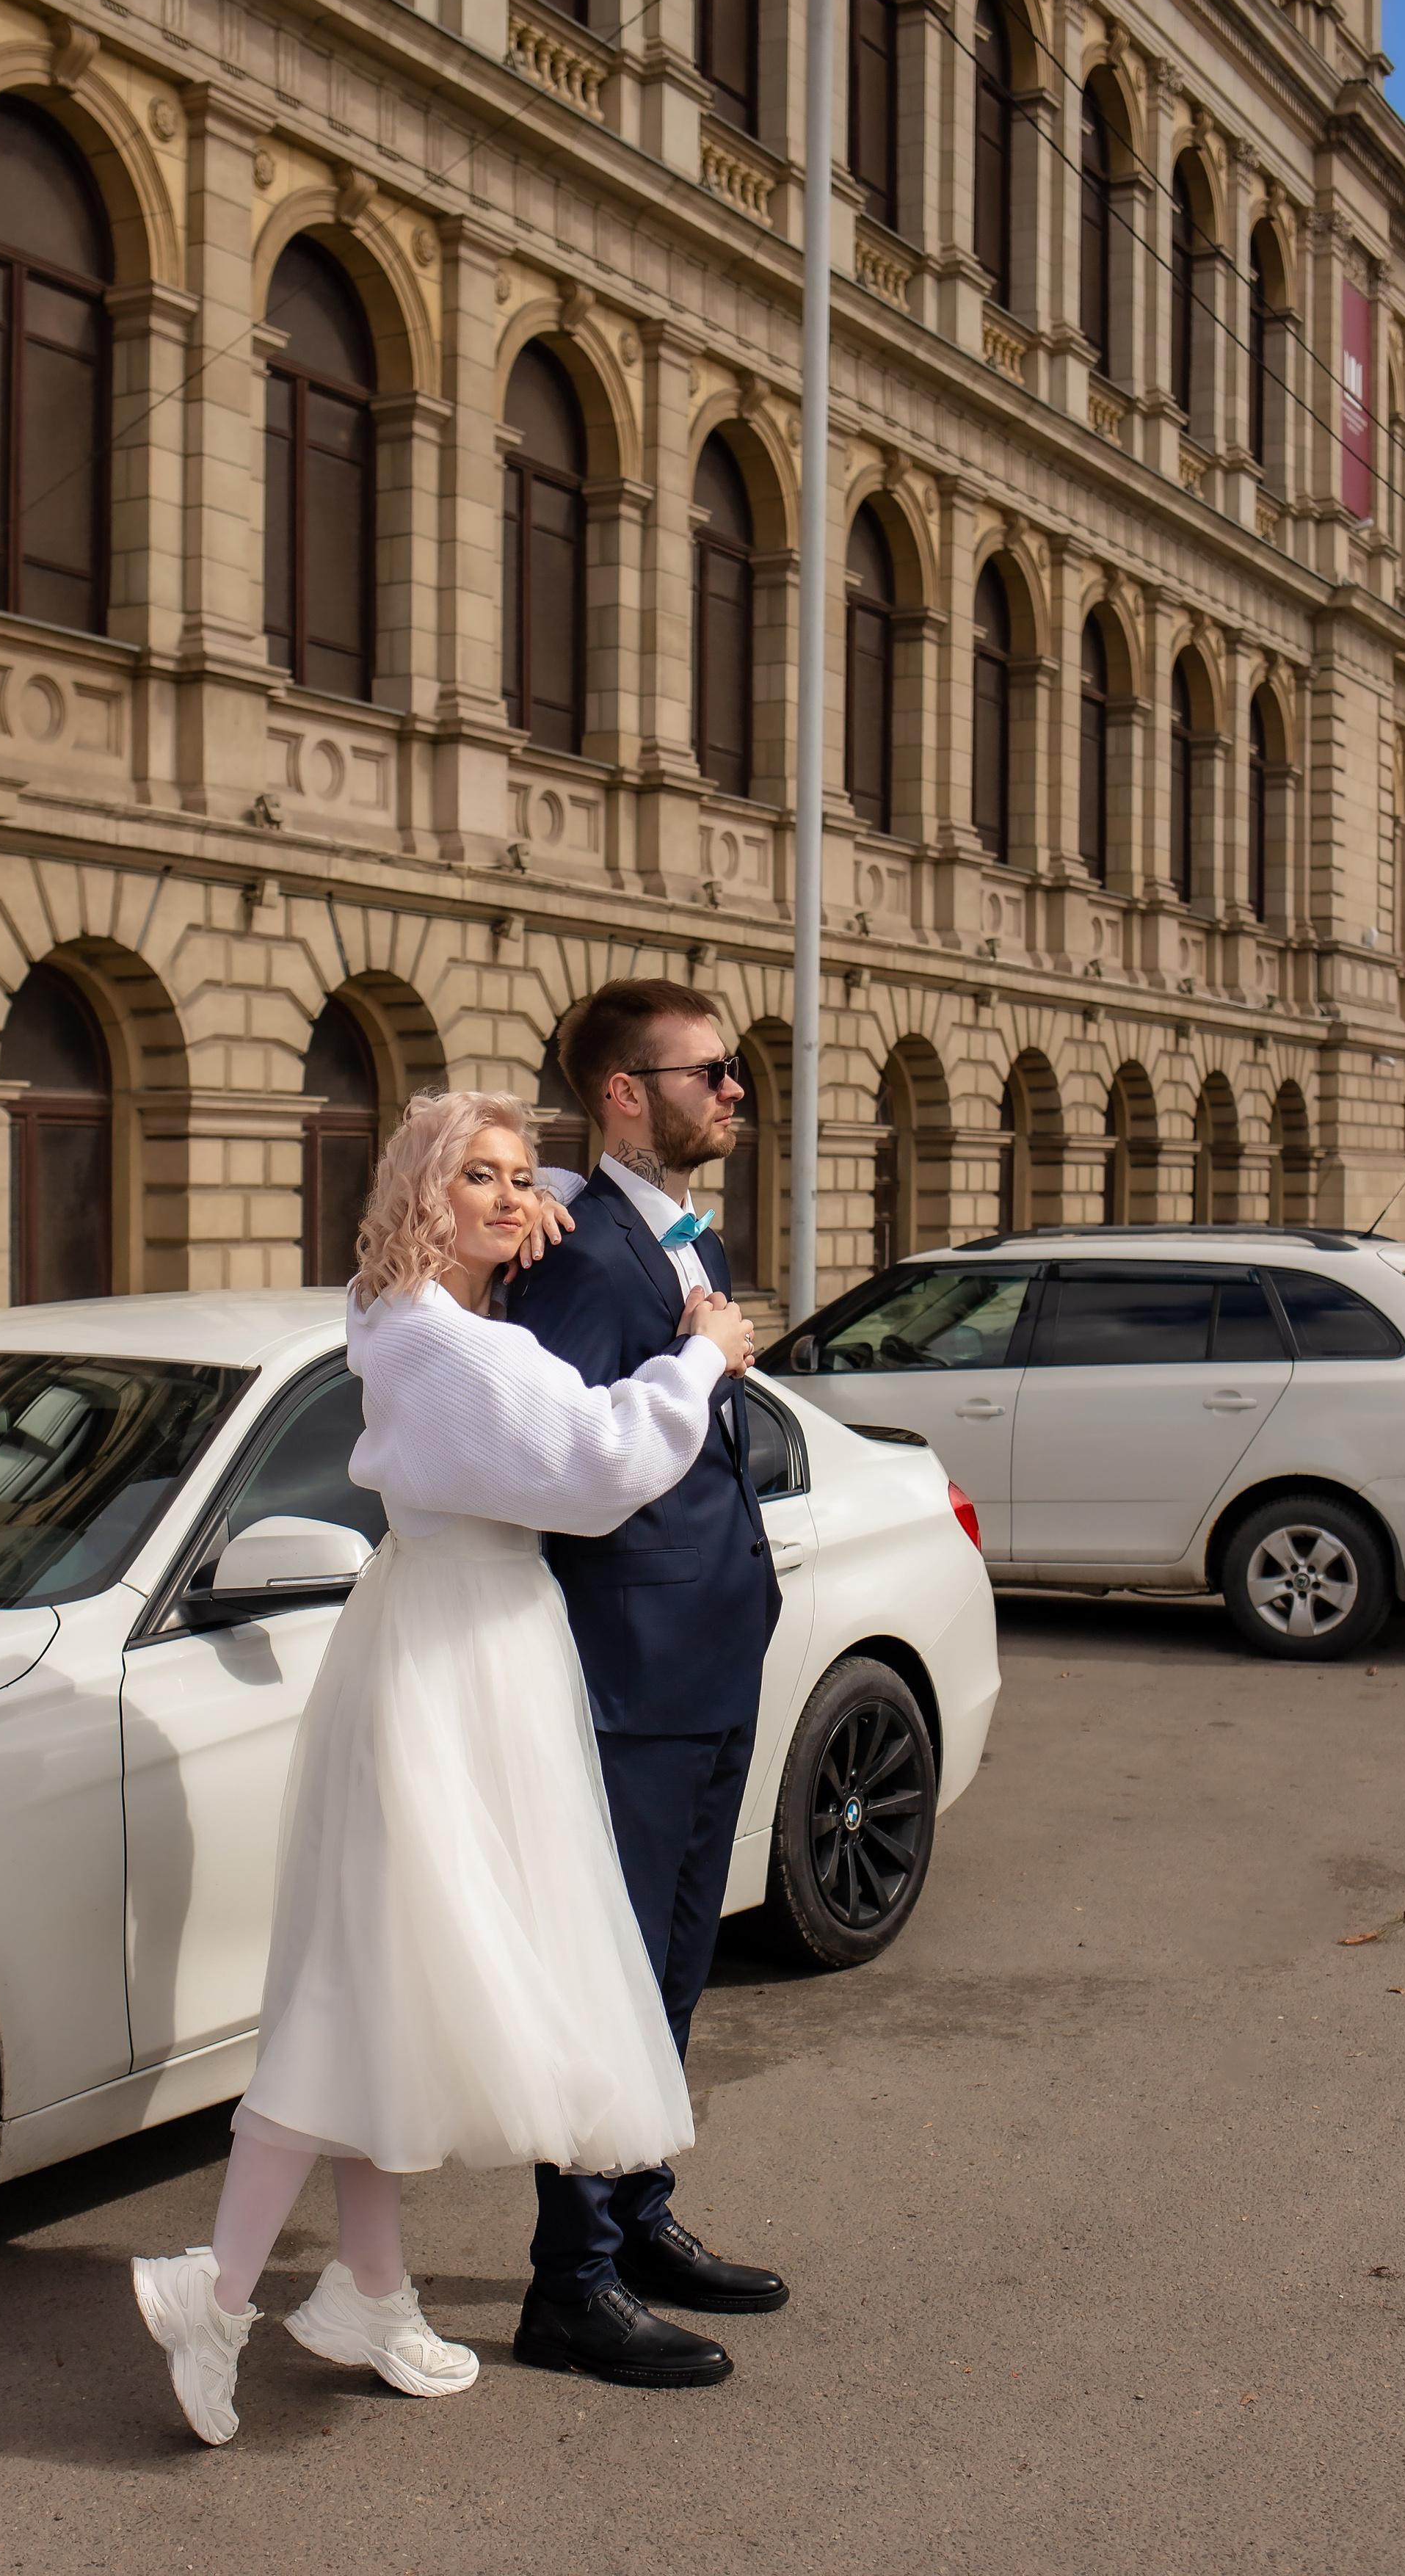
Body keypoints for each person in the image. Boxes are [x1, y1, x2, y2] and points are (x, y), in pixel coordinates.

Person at [130, 1087, 755, 2444]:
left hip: (470, 1643)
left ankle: (370, 2292)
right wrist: (704, 1355)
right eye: (478, 1174)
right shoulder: (437, 1343)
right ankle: (218, 2290)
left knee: (399, 1981)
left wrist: (547, 1203)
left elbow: (543, 1265)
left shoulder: (427, 1320)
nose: (512, 1196)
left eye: (523, 1176)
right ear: (424, 1189)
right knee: (363, 1981)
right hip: (452, 1659)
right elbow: (595, 1465)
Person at [506, 979, 788, 2388]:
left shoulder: (677, 1234)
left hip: (711, 1660)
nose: (735, 1092)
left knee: (676, 1968)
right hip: (630, 1675)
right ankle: (572, 2283)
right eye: (711, 1073)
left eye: (733, 1074)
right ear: (627, 1092)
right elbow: (567, 1470)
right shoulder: (582, 1260)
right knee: (613, 1977)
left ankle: (639, 2212)